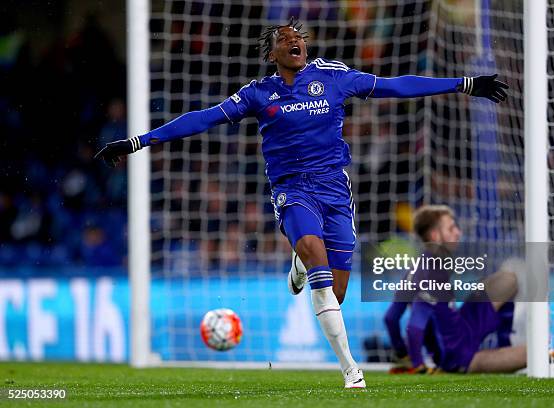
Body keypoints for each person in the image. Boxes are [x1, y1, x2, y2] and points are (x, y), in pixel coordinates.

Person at [95, 18, 509, 387]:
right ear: (271, 53)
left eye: (300, 37)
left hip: (334, 190)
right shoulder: (257, 93)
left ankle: (300, 261)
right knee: (316, 259)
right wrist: (138, 142)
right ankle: (350, 370)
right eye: (286, 38)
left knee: (337, 292)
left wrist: (464, 84)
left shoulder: (333, 77)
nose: (296, 41)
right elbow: (202, 118)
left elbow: (394, 86)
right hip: (292, 189)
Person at [384, 205, 554, 373]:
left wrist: (401, 353)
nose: (458, 232)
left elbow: (391, 317)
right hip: (458, 355)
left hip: (463, 324)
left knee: (507, 279)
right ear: (435, 236)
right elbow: (415, 326)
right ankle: (508, 348)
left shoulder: (419, 266)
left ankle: (502, 339)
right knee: (537, 354)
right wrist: (417, 364)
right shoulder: (430, 273)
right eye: (451, 228)